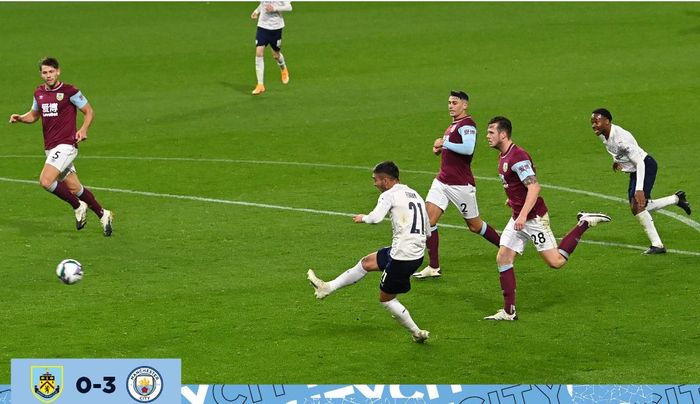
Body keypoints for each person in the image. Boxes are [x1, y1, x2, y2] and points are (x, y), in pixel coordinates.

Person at [484, 116, 610, 320]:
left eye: (491, 132)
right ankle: (509, 312)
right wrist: (514, 203)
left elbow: (534, 187)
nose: (487, 136)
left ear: (503, 134)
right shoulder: (504, 157)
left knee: (556, 262)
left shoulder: (518, 157)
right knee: (503, 257)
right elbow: (519, 187)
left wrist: (523, 214)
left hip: (533, 219)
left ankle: (584, 222)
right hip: (519, 217)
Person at [307, 161, 431, 343]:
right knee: (366, 262)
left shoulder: (390, 195)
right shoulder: (415, 195)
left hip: (402, 257)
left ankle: (417, 332)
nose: (374, 184)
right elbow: (428, 229)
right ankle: (327, 287)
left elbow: (375, 218)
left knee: (386, 299)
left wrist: (362, 218)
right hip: (412, 252)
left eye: (376, 180)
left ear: (386, 180)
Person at [9, 57, 113, 236]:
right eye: (44, 72)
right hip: (50, 148)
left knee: (45, 181)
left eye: (51, 72)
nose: (48, 75)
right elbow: (34, 115)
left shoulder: (69, 91)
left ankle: (78, 206)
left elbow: (89, 111)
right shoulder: (39, 93)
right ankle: (104, 214)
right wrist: (20, 118)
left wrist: (83, 129)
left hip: (66, 145)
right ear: (40, 74)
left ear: (58, 71)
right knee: (75, 188)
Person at [413, 90, 500, 279]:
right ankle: (433, 267)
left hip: (460, 185)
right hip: (442, 181)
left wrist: (443, 143)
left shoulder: (468, 125)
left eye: (454, 102)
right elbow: (451, 149)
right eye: (449, 102)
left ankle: (506, 246)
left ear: (465, 105)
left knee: (475, 226)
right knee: (428, 222)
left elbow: (468, 148)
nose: (450, 106)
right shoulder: (453, 126)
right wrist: (440, 149)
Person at [590, 108, 691, 254]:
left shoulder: (620, 140)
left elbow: (640, 163)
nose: (594, 125)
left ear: (607, 121)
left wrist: (639, 189)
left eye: (597, 121)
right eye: (592, 122)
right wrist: (617, 160)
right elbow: (613, 149)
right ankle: (676, 199)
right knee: (637, 207)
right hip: (635, 169)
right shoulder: (603, 133)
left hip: (645, 166)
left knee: (638, 205)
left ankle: (657, 245)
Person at [250, 1, 292, 95]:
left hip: (276, 28)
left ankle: (283, 69)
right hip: (262, 26)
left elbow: (289, 7)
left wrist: (274, 8)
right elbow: (263, 3)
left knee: (276, 55)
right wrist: (257, 11)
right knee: (259, 52)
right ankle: (260, 85)